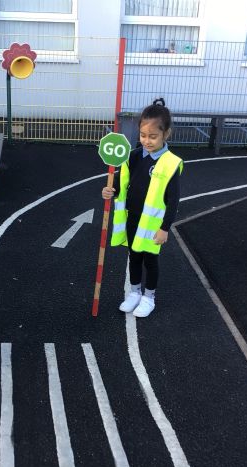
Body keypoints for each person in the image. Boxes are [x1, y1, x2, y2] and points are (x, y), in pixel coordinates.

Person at [102, 98, 182, 317]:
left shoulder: (170, 163)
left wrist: (165, 228)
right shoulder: (134, 156)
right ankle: (135, 292)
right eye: (143, 135)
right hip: (133, 218)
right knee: (134, 256)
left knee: (150, 260)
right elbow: (121, 182)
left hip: (153, 224)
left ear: (166, 134)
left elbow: (173, 200)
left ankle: (149, 297)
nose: (147, 141)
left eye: (153, 136)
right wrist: (110, 190)